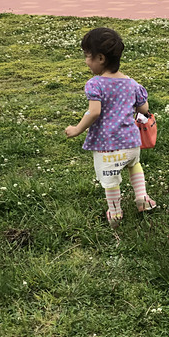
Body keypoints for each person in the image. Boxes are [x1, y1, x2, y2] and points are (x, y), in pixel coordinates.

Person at [64, 27, 156, 228]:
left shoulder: (95, 84)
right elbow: (144, 108)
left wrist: (77, 129)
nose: (86, 61)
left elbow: (94, 112)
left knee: (111, 179)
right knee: (134, 165)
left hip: (108, 146)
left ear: (100, 58)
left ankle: (115, 212)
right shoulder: (131, 83)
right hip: (132, 142)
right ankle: (142, 198)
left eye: (87, 56)